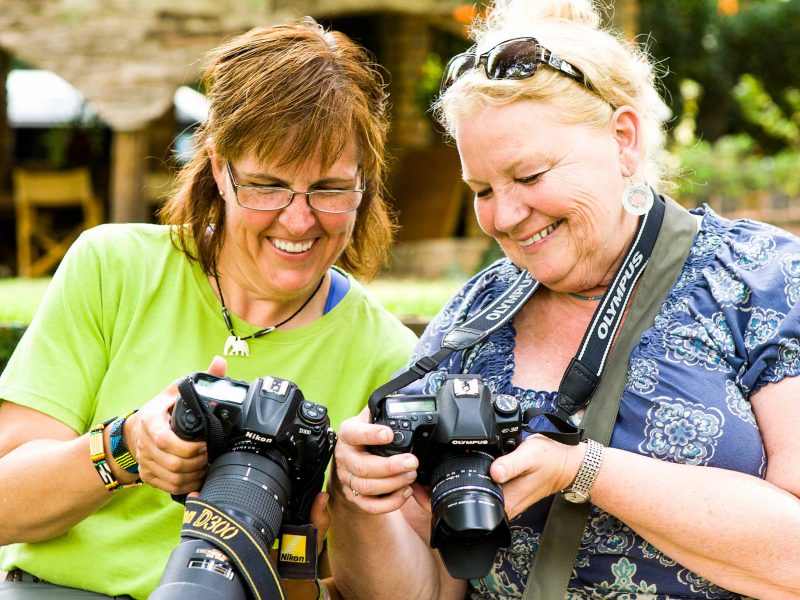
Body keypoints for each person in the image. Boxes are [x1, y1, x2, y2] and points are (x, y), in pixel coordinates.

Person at [328, 1, 800, 598]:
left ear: (623, 140)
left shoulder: (760, 278)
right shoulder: (480, 313)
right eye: (482, 189)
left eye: (528, 177)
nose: (502, 216)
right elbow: (423, 591)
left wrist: (584, 470)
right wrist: (361, 499)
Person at [0, 17, 417, 600]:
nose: (298, 221)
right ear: (219, 168)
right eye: (267, 185)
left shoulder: (391, 357)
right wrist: (125, 448)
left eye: (328, 188)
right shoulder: (114, 267)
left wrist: (320, 531)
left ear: (365, 183)